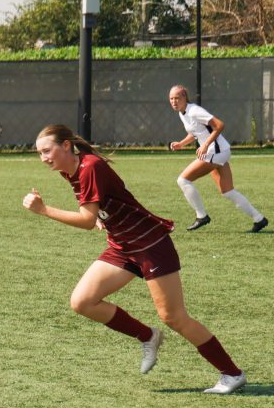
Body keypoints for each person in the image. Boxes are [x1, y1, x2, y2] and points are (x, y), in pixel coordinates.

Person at [22, 124, 247, 394]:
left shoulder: (89, 166)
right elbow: (105, 201)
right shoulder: (69, 169)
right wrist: (103, 217)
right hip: (122, 245)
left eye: (48, 150)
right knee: (82, 301)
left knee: (174, 317)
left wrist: (44, 210)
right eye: (40, 153)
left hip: (151, 244)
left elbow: (85, 219)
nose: (44, 158)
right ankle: (147, 336)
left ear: (66, 146)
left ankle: (232, 374)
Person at [168, 85, 267, 233]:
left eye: (177, 98)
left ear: (184, 97)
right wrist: (181, 144)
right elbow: (195, 133)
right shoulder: (183, 113)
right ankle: (259, 219)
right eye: (171, 99)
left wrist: (206, 145)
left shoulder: (194, 111)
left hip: (216, 152)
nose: (174, 101)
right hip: (220, 151)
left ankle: (201, 216)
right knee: (227, 191)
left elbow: (219, 125)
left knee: (183, 180)